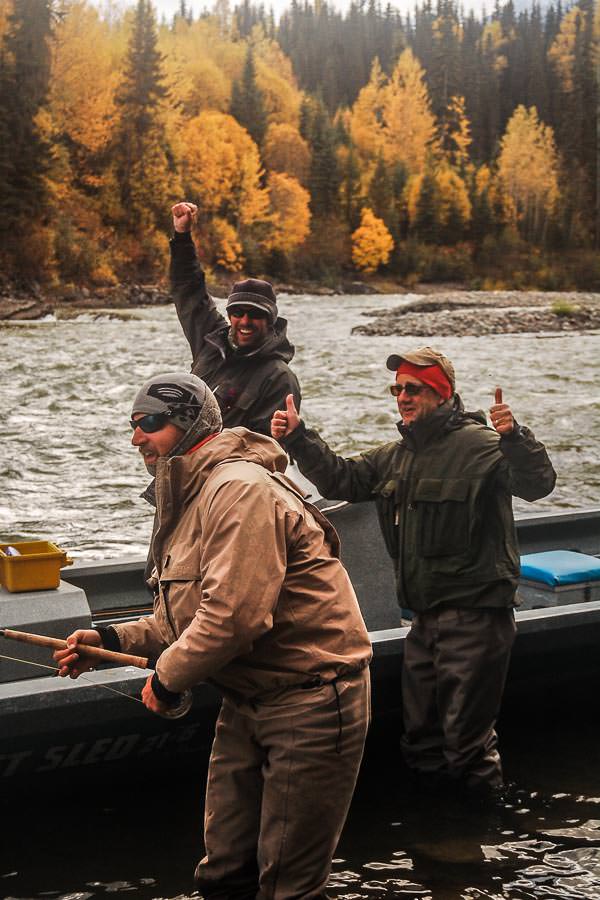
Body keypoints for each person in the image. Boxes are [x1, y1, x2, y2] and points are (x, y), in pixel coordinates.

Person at [54, 372, 371, 899]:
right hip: (245, 701)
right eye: (133, 426)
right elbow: (178, 619)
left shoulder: (239, 489)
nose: (137, 438)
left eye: (148, 424)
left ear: (186, 424)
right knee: (223, 874)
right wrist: (106, 641)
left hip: (311, 701)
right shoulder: (192, 494)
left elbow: (233, 618)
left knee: (287, 886)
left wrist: (169, 680)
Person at [271, 346, 556, 802]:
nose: (402, 396)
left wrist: (515, 437)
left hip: (477, 617)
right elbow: (341, 480)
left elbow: (538, 484)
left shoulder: (483, 446)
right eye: (397, 388)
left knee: (466, 744)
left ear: (442, 395)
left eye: (414, 388)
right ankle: (436, 841)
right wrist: (301, 438)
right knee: (420, 740)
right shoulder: (395, 455)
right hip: (423, 621)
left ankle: (475, 841)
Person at [169, 201, 301, 436]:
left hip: (226, 470)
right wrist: (182, 236)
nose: (245, 321)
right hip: (180, 462)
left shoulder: (279, 378)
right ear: (229, 315)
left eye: (256, 314)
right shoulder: (210, 340)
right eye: (238, 313)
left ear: (270, 321)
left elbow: (265, 449)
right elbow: (188, 290)